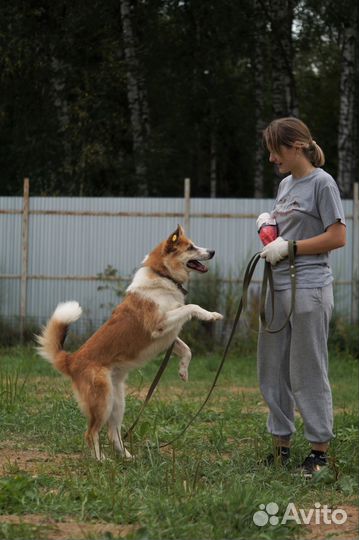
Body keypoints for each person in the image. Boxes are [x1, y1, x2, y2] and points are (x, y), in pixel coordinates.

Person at [257, 117, 346, 477]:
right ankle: (280, 446)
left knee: (307, 370)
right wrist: (269, 229)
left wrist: (290, 247)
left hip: (309, 289)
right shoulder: (285, 186)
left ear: (296, 146)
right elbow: (285, 234)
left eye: (275, 151)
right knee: (273, 370)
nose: (271, 158)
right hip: (277, 289)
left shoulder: (322, 183)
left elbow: (337, 237)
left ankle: (319, 453)